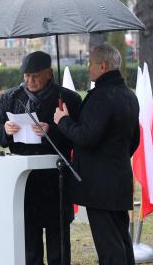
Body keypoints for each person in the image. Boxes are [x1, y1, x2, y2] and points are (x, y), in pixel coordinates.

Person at [0, 51, 82, 265]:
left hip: (55, 179)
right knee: (28, 241)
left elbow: (78, 138)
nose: (30, 80)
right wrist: (5, 130)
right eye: (26, 75)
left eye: (36, 75)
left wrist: (53, 131)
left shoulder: (67, 98)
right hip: (24, 179)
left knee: (58, 241)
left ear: (49, 73)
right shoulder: (11, 97)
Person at [53, 43, 140, 265]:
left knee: (109, 247)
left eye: (90, 63)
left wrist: (63, 120)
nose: (87, 67)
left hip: (100, 185)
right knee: (121, 240)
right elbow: (134, 139)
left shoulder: (101, 96)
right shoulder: (129, 95)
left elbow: (86, 136)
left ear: (102, 66)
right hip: (119, 177)